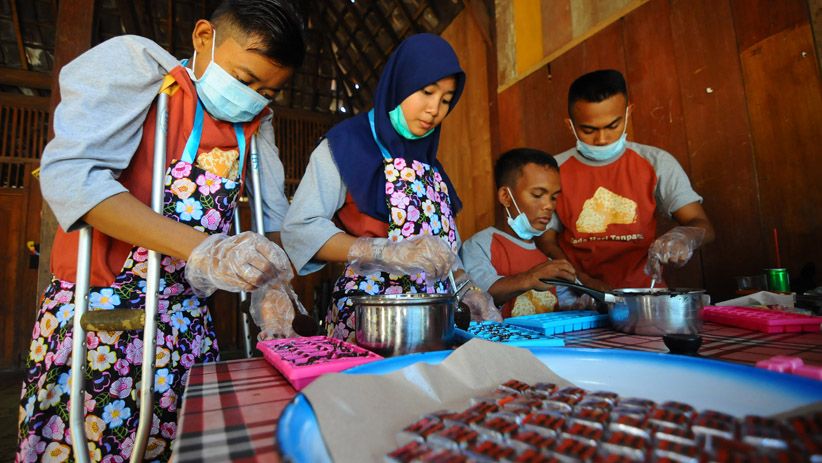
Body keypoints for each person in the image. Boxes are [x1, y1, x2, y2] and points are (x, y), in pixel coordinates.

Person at [16, 1, 305, 461]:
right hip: (102, 312)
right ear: (204, 37)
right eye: (246, 79)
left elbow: (273, 218)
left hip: (187, 324)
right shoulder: (143, 70)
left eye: (268, 91)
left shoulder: (255, 124)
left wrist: (270, 285)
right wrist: (205, 249)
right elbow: (74, 178)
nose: (252, 96)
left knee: (181, 447)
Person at [282, 33, 500, 342]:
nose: (434, 109)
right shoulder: (346, 145)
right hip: (369, 317)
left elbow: (446, 253)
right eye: (426, 92)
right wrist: (380, 250)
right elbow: (301, 228)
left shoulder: (432, 166)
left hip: (434, 319)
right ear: (401, 81)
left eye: (446, 100)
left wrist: (467, 288)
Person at [536, 69, 715, 291]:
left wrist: (685, 237)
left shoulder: (656, 162)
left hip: (644, 293)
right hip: (578, 294)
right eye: (588, 130)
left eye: (613, 126)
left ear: (628, 113)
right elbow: (546, 240)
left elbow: (701, 224)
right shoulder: (552, 172)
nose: (602, 139)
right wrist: (583, 282)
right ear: (570, 125)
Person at [462, 148, 578, 317]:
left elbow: (562, 302)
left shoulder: (546, 253)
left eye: (553, 197)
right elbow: (478, 296)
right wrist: (530, 278)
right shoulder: (480, 245)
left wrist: (582, 305)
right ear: (505, 196)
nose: (549, 206)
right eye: (538, 195)